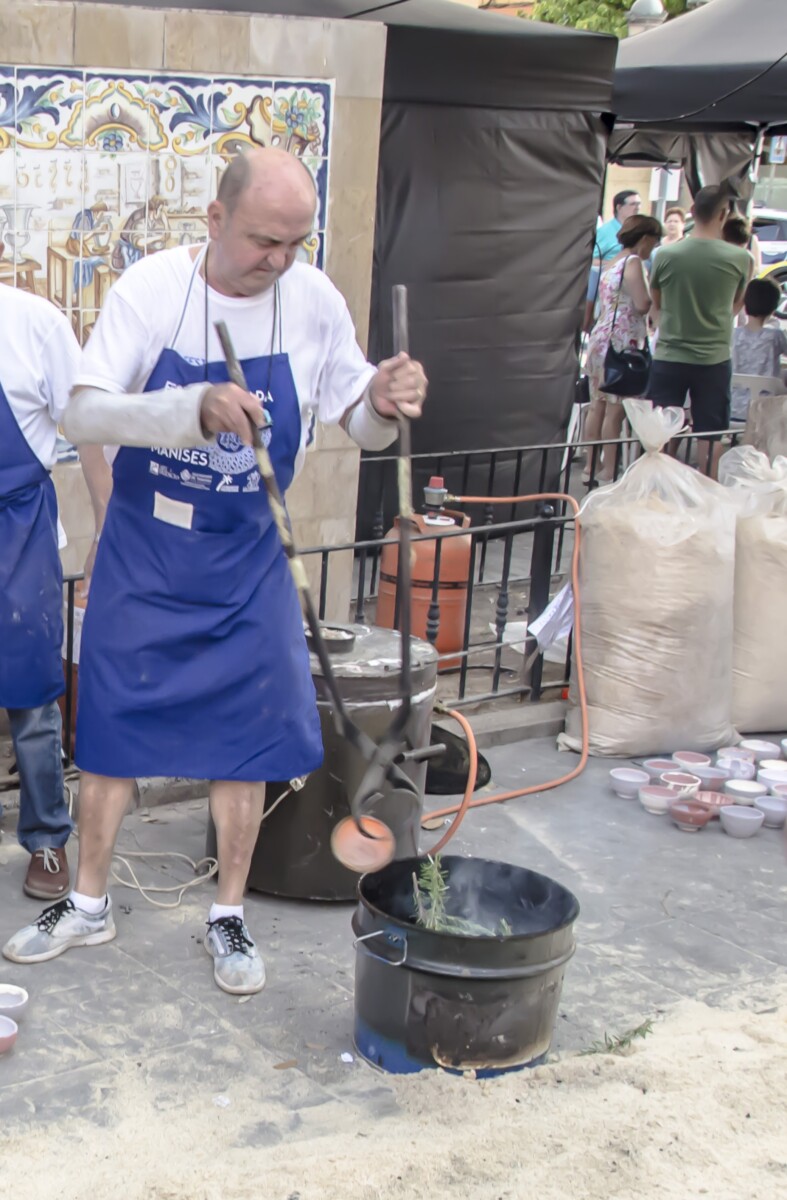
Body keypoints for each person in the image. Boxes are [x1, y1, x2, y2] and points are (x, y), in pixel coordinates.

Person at [3, 148, 428, 996]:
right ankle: (88, 902)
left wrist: (381, 401)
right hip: (147, 549)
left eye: (293, 243)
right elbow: (84, 407)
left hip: (248, 556)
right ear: (215, 219)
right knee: (113, 733)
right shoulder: (154, 290)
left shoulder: (310, 302)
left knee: (247, 741)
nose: (277, 260)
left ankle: (227, 915)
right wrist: (186, 409)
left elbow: (357, 417)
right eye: (262, 240)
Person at [0, 241, 81, 901]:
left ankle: (49, 840)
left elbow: (88, 421)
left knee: (31, 699)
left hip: (19, 532)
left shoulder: (36, 325)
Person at [648, 184, 751, 475]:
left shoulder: (665, 255)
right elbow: (734, 306)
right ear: (723, 215)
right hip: (714, 357)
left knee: (663, 430)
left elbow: (658, 303)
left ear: (692, 213)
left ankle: (661, 484)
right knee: (711, 432)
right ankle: (706, 488)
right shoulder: (741, 259)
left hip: (669, 354)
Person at [584, 215, 663, 482]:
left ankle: (589, 464)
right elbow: (642, 304)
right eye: (653, 241)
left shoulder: (611, 263)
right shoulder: (633, 263)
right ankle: (609, 467)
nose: (653, 246)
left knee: (597, 405)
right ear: (644, 239)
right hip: (622, 343)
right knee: (615, 410)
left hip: (601, 339)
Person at [584, 191, 643, 332]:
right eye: (633, 204)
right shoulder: (605, 232)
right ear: (619, 207)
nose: (637, 208)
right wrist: (616, 264)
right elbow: (589, 260)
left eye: (639, 204)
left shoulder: (637, 230)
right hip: (609, 292)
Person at [731, 278, 787, 422]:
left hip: (733, 409)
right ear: (773, 308)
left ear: (745, 304)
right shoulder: (775, 336)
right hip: (766, 410)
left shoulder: (733, 335)